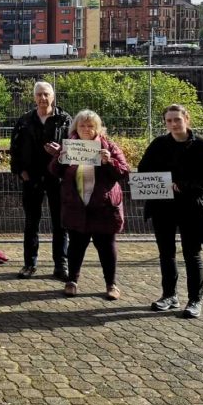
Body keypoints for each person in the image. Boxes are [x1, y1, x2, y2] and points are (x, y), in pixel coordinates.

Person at [138, 103, 203, 319]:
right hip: (162, 208)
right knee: (166, 253)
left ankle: (195, 300)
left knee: (191, 254)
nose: (174, 124)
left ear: (187, 119)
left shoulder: (202, 146)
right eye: (169, 120)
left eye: (177, 119)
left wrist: (185, 185)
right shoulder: (158, 144)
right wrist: (161, 180)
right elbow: (143, 169)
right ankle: (169, 296)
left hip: (190, 208)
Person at [48, 110, 128, 300]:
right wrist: (60, 158)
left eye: (90, 125)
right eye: (82, 125)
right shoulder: (70, 146)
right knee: (76, 246)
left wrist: (109, 162)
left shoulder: (109, 146)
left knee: (107, 247)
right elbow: (54, 171)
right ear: (76, 127)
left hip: (103, 206)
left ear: (97, 128)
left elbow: (124, 172)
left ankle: (111, 284)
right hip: (77, 205)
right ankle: (72, 281)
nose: (86, 129)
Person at [11, 81, 71, 281]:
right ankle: (29, 263)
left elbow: (76, 149)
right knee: (31, 223)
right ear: (34, 97)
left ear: (53, 96)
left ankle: (61, 265)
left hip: (58, 177)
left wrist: (60, 152)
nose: (43, 98)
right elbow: (15, 148)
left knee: (60, 224)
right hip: (32, 178)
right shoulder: (25, 121)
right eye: (39, 95)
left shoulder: (65, 120)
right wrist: (21, 172)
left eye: (46, 94)